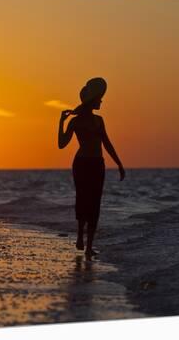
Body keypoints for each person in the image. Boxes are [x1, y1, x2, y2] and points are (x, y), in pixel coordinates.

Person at [58, 77, 125, 259]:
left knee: (95, 203)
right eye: (99, 99)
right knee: (82, 199)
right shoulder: (76, 121)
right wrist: (61, 122)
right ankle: (80, 237)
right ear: (92, 101)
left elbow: (107, 144)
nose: (101, 101)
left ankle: (88, 247)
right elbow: (61, 144)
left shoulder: (99, 120)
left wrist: (118, 163)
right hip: (81, 164)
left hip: (97, 164)